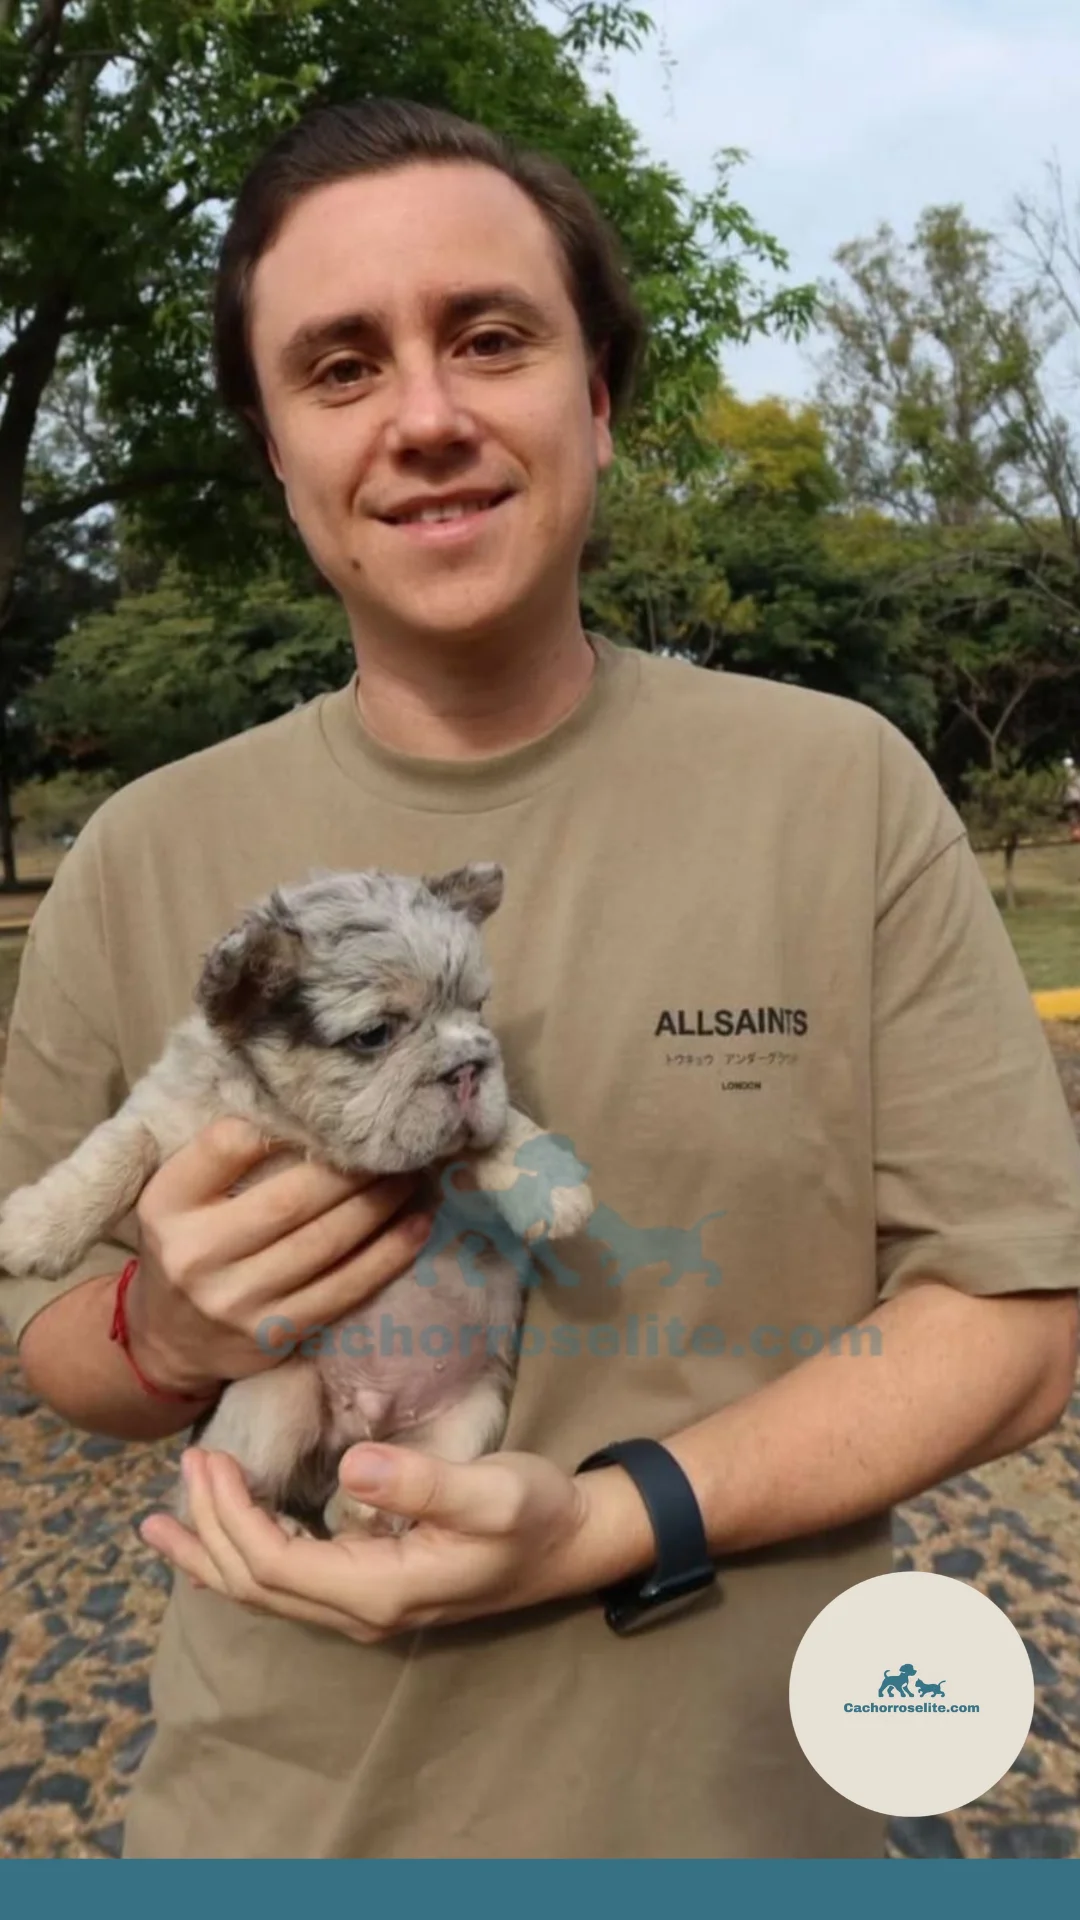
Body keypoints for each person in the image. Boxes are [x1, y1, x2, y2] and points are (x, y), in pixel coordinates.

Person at [2, 97, 1079, 1863]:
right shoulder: (139, 854)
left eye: (488, 337)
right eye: (338, 368)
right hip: (268, 1833)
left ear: (595, 395)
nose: (425, 416)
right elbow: (41, 1339)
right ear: (274, 447)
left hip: (755, 1831)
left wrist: (609, 1520)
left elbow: (1014, 1321)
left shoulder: (840, 786)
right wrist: (162, 1331)